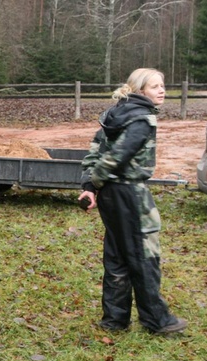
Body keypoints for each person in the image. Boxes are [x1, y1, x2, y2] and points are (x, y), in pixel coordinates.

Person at [79, 68, 187, 334]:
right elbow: (116, 157)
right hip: (129, 193)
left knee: (117, 254)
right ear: (140, 91)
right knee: (143, 254)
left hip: (111, 196)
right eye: (155, 86)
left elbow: (95, 150)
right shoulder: (142, 119)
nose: (162, 91)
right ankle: (157, 320)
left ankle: (115, 320)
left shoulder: (114, 114)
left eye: (162, 86)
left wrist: (90, 186)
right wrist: (94, 183)